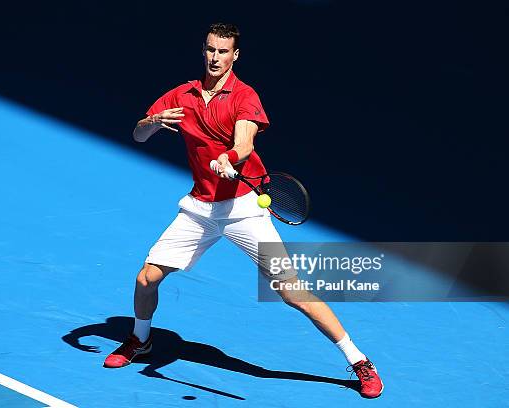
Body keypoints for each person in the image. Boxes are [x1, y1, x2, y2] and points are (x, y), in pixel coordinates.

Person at [103, 23, 383, 399]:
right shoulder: (182, 95)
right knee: (145, 279)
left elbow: (246, 142)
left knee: (292, 291)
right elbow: (138, 135)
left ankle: (359, 360)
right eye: (210, 50)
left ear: (235, 56)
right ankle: (140, 340)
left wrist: (229, 157)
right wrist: (152, 122)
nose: (215, 58)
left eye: (223, 52)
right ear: (203, 50)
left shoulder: (244, 96)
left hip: (244, 208)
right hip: (200, 207)